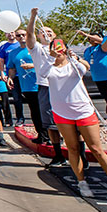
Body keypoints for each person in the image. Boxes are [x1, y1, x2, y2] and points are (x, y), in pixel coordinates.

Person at [37, 31, 107, 202]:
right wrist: (51, 57)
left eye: (60, 47)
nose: (58, 50)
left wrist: (74, 58)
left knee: (96, 148)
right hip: (62, 113)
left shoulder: (74, 64)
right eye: (54, 48)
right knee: (72, 148)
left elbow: (83, 69)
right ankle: (81, 182)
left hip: (83, 110)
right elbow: (43, 74)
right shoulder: (49, 67)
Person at [25, 10, 69, 168]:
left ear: (55, 34)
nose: (46, 33)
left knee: (71, 121)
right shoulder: (36, 48)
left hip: (64, 87)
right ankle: (58, 155)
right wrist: (33, 18)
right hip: (45, 87)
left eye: (49, 31)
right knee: (50, 123)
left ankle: (80, 156)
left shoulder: (62, 48)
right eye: (42, 32)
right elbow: (29, 34)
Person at [7, 29, 47, 144]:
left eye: (23, 34)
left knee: (46, 110)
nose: (21, 37)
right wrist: (10, 77)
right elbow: (12, 68)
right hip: (27, 86)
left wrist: (33, 65)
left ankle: (52, 135)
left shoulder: (38, 49)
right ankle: (41, 134)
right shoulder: (13, 53)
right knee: (34, 111)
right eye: (18, 35)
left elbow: (49, 62)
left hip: (42, 83)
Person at [79, 30, 107, 116]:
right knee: (106, 97)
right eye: (90, 39)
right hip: (97, 77)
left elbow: (104, 42)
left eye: (95, 38)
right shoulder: (88, 50)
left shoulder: (104, 46)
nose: (93, 40)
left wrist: (85, 34)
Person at [0, 31, 25, 126]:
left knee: (31, 97)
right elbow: (1, 61)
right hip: (12, 76)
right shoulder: (3, 47)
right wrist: (2, 73)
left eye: (13, 32)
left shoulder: (22, 43)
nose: (10, 34)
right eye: (7, 33)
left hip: (26, 75)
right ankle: (20, 118)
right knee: (16, 98)